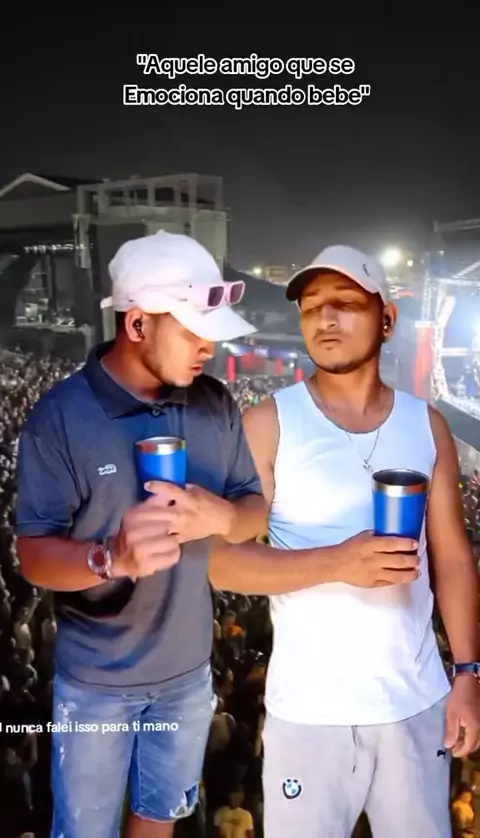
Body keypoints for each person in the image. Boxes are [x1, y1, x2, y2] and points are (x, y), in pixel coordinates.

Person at [16, 231, 269, 838]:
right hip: (96, 682)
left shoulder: (215, 404)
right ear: (136, 324)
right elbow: (33, 557)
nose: (208, 345)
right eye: (192, 330)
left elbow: (254, 509)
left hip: (188, 675)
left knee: (160, 819)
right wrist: (113, 556)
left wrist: (223, 516)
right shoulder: (61, 418)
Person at [241, 245, 480, 838]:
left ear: (387, 319)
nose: (325, 318)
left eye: (345, 303)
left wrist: (468, 672)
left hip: (416, 705)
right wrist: (337, 562)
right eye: (311, 306)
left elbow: (452, 558)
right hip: (308, 716)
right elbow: (223, 563)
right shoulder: (268, 425)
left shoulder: (427, 425)